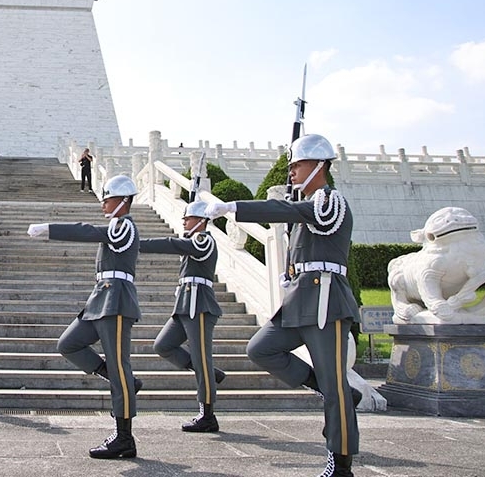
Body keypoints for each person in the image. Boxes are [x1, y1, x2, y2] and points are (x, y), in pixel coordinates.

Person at [206, 134, 360, 477]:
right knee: (261, 348)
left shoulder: (330, 200)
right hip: (300, 298)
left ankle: (341, 460)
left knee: (335, 386)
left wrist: (234, 207)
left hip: (326, 301)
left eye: (297, 165)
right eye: (290, 166)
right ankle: (325, 387)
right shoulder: (308, 205)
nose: (291, 172)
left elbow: (291, 211)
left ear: (320, 166)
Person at [27, 175, 141, 460]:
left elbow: (90, 231)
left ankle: (124, 438)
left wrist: (51, 229)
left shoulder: (124, 225)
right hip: (100, 298)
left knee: (119, 364)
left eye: (108, 197)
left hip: (116, 301)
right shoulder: (117, 224)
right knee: (69, 343)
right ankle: (121, 379)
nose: (103, 202)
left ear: (124, 201)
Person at [141, 201, 226, 433]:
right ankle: (208, 372)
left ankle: (207, 415)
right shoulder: (194, 241)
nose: (184, 222)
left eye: (188, 219)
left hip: (199, 305)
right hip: (184, 305)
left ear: (201, 221)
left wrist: (140, 245)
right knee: (163, 345)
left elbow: (173, 244)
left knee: (201, 358)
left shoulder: (204, 240)